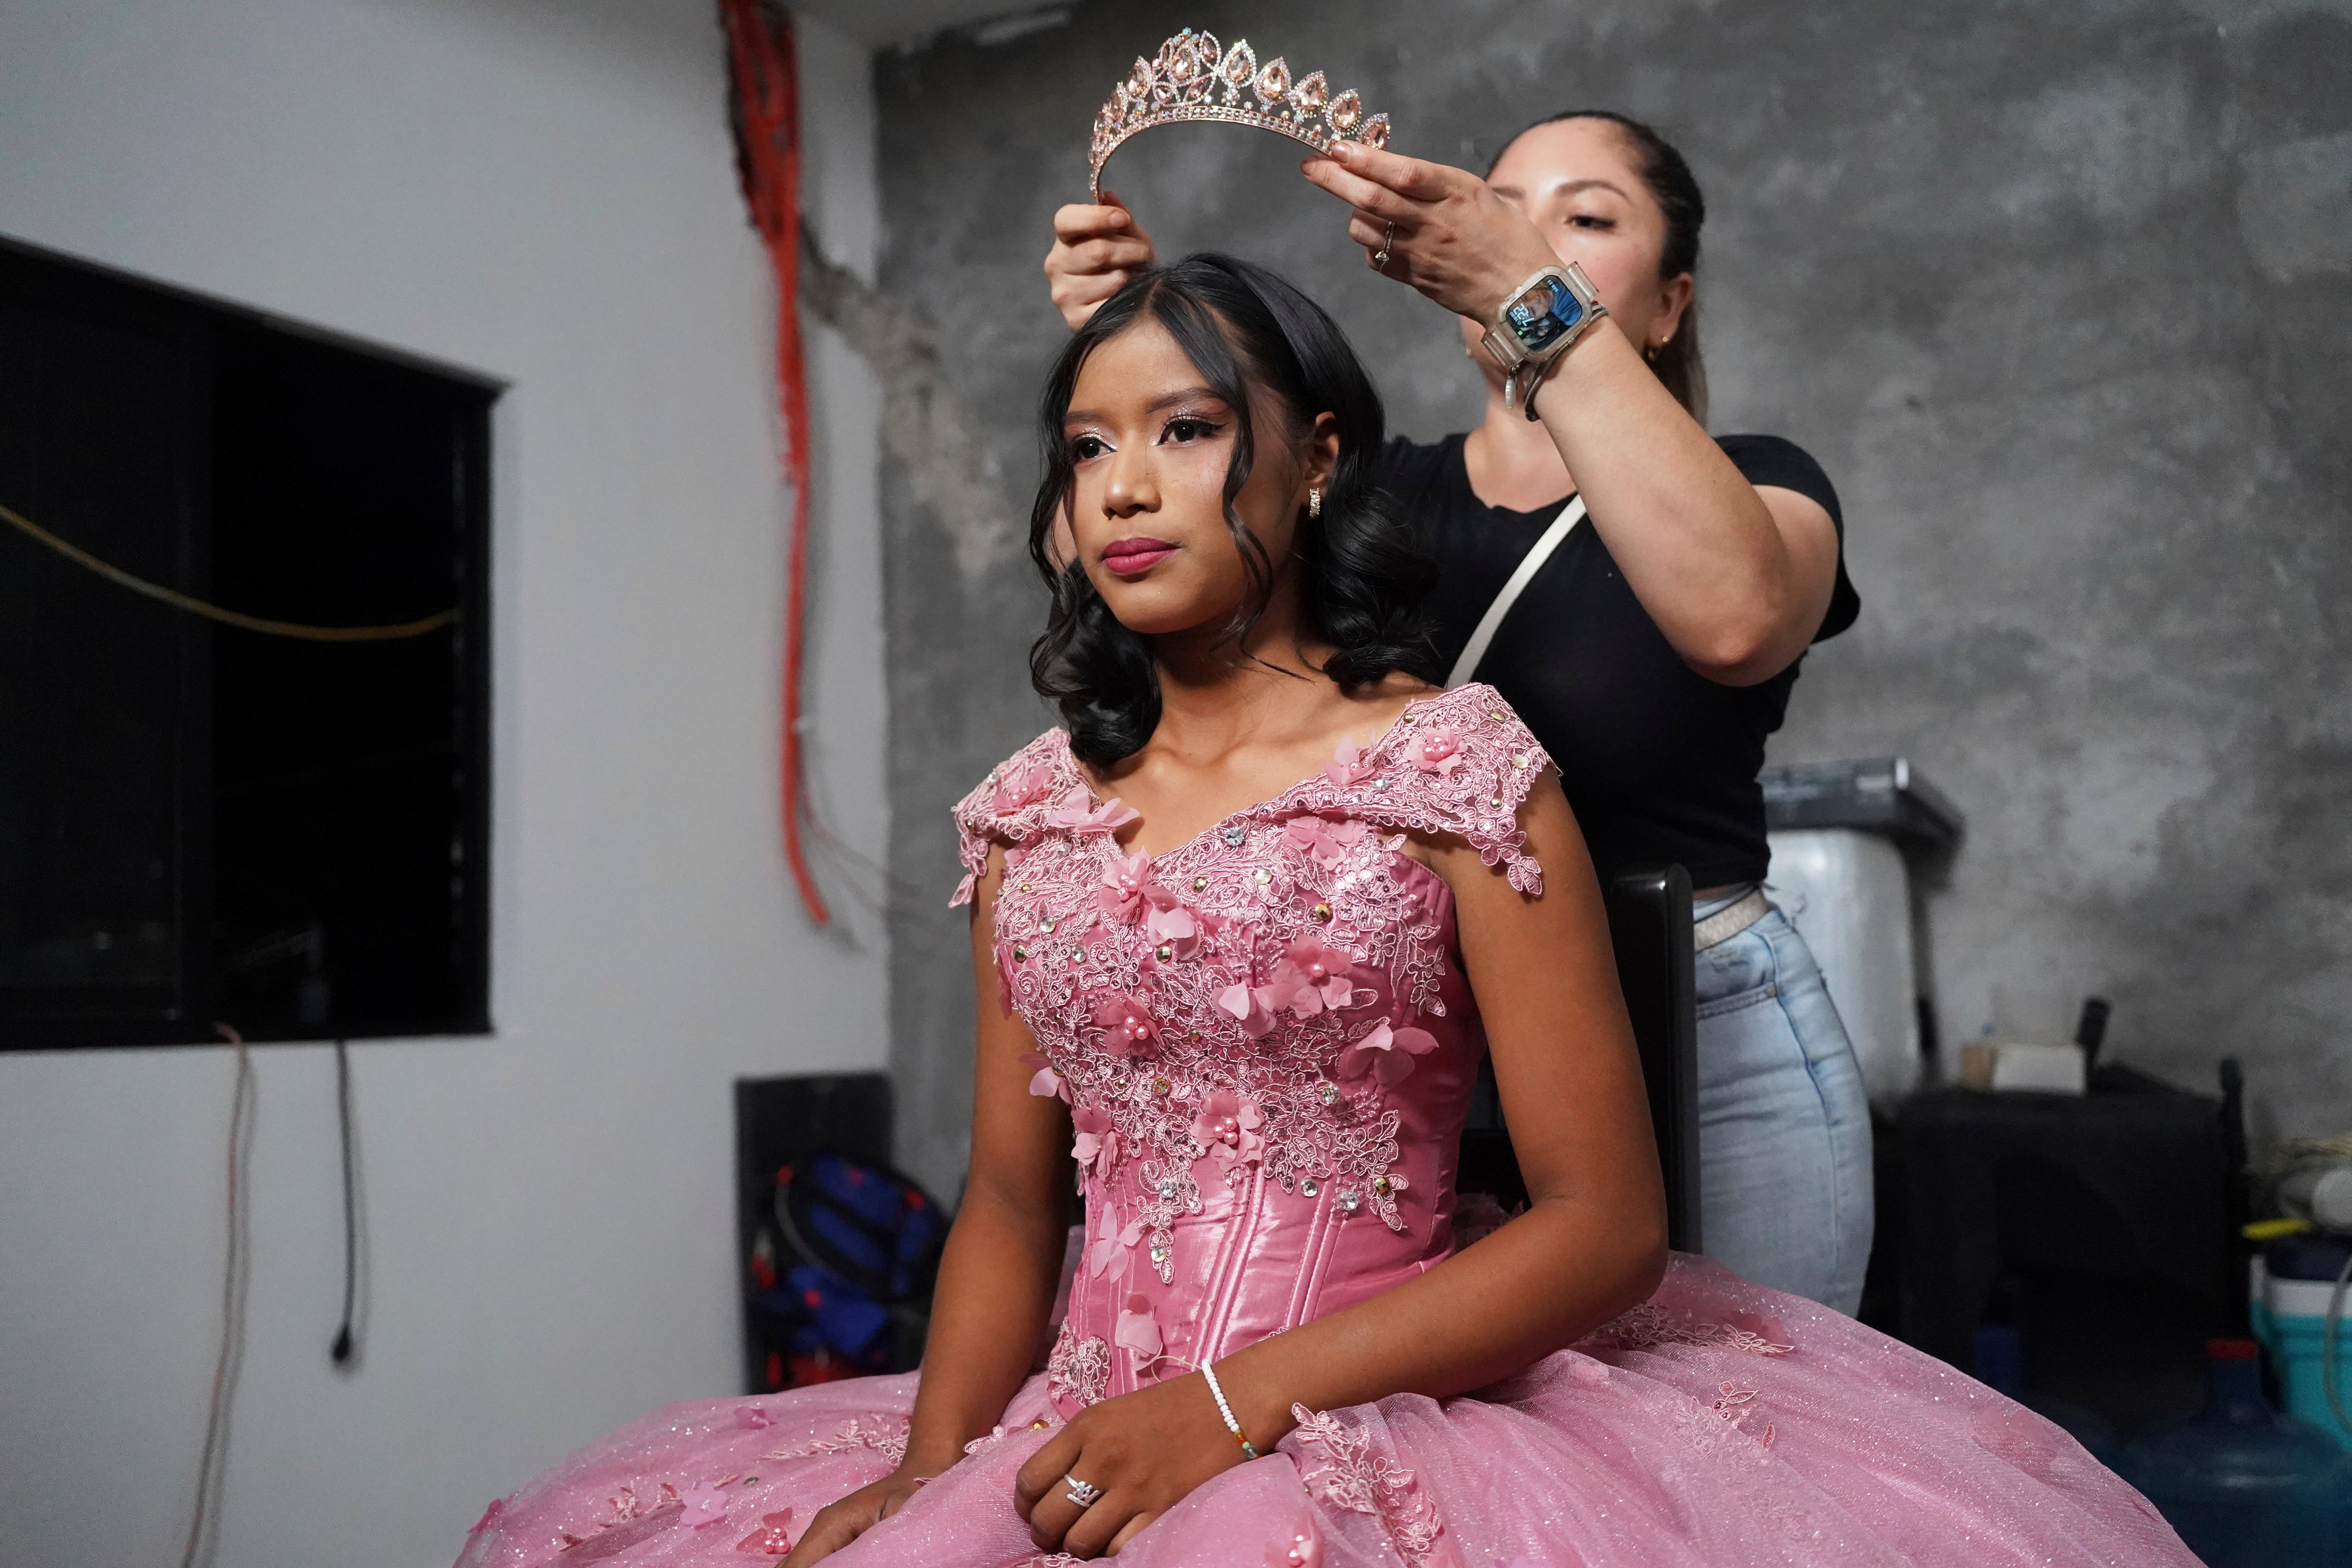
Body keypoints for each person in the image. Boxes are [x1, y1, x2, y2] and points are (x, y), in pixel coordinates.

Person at [454, 254, 2189, 1568]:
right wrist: (928, 1473)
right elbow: (1009, 1199)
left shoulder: (1453, 766)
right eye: (1088, 446)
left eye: (1189, 430)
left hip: (1376, 1414)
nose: (1125, 484)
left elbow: (1606, 1227)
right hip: (1074, 1420)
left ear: (1317, 460)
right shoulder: (1030, 806)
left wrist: (1225, 1409)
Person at [1045, 111, 1873, 1314]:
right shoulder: (1372, 502)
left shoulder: (1759, 482)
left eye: (1585, 219)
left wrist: (1531, 299)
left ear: (1670, 302)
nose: (1526, 238)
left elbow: (1737, 620)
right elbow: (1142, 578)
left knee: (1745, 1407)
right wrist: (1132, 364)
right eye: (1502, 211)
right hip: (1426, 1043)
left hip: (1712, 1034)